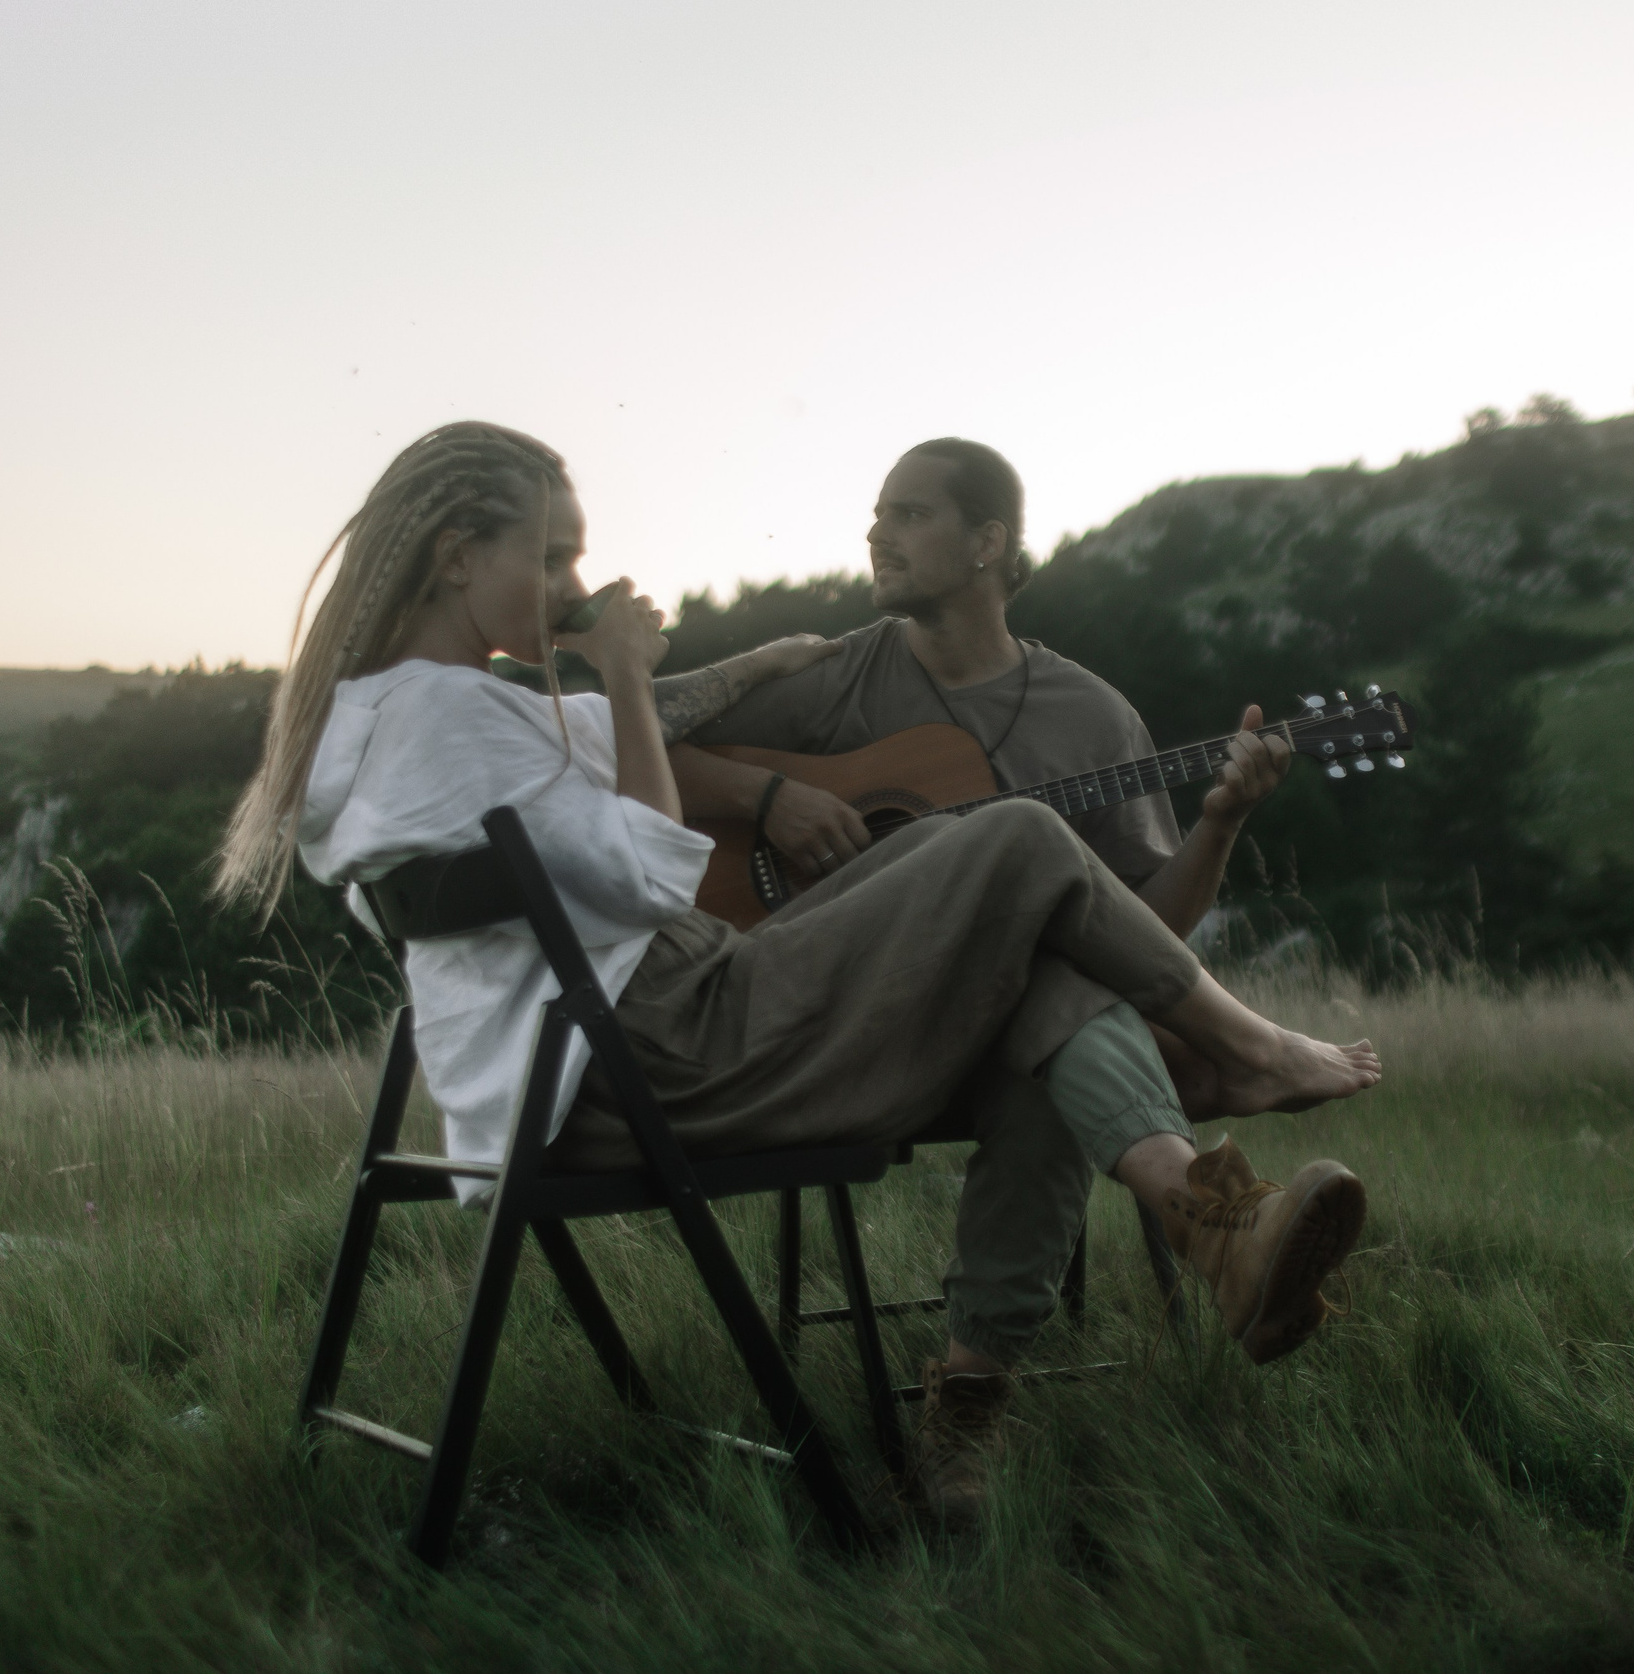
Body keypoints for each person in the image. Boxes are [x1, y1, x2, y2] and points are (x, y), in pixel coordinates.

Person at [215, 422, 1382, 1527]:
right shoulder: (450, 719)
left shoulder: (409, 711)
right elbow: (654, 872)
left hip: (621, 1048)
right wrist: (623, 677)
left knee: (1033, 955)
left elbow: (612, 764)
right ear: (457, 555)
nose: (578, 575)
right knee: (1020, 842)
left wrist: (675, 668)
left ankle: (1195, 1236)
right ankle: (1245, 1057)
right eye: (554, 552)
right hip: (665, 1049)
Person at [660, 438, 1336, 1507]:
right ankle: (1221, 1180)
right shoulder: (846, 676)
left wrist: (1218, 825)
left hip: (997, 1043)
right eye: (876, 512)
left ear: (987, 544)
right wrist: (770, 800)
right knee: (1038, 945)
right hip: (839, 1021)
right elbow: (650, 754)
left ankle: (970, 1405)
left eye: (909, 514)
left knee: (1045, 1000)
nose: (876, 533)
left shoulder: (1093, 718)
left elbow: (1143, 932)